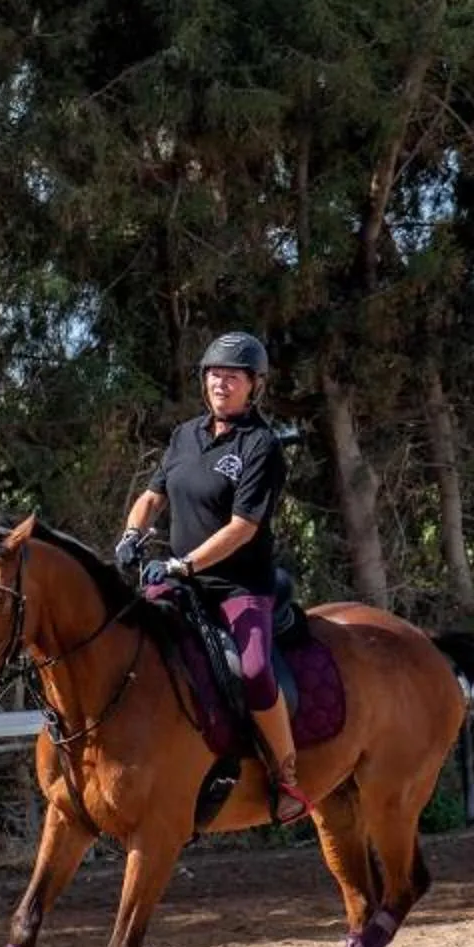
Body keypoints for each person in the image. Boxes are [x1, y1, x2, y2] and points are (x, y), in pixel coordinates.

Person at [117, 331, 306, 824]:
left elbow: (243, 528)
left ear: (253, 386)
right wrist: (132, 533)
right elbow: (154, 495)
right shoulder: (185, 435)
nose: (220, 383)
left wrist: (183, 565)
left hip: (239, 587)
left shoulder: (260, 445)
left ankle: (287, 776)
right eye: (214, 374)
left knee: (254, 671)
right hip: (181, 583)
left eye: (233, 376)